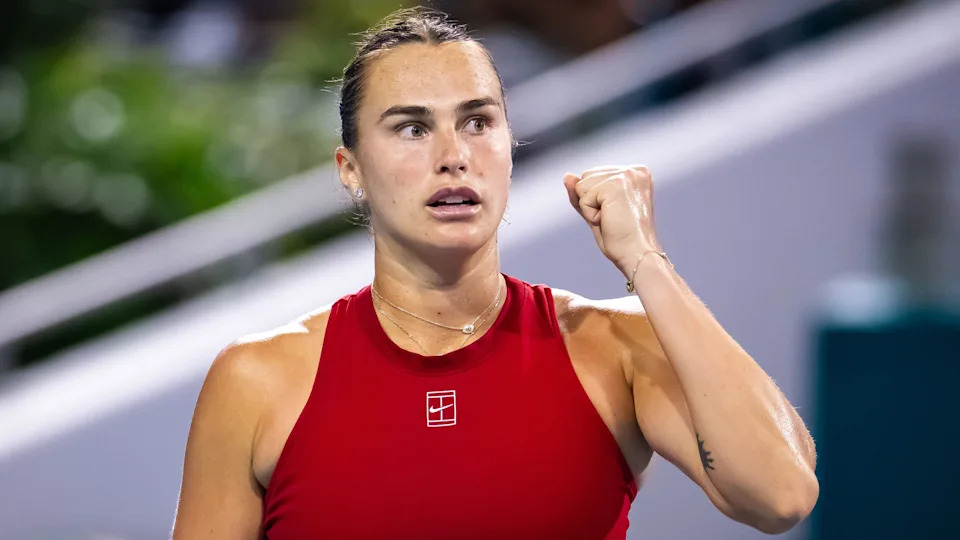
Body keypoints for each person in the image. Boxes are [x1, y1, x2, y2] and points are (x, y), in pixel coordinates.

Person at [171, 7, 818, 539]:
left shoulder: (616, 344)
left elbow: (780, 496)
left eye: (478, 122)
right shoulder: (257, 380)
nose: (454, 157)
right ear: (351, 170)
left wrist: (647, 262)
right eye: (412, 129)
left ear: (510, 148)